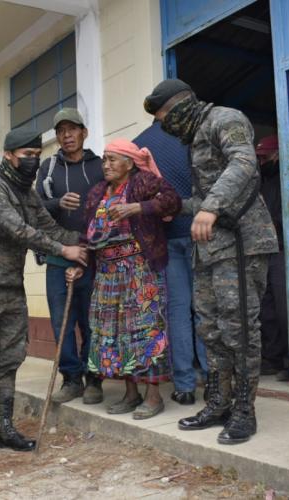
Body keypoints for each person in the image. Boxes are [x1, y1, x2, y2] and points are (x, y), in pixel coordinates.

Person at [145, 79, 278, 445]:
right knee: (211, 329)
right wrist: (175, 207)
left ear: (181, 106)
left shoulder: (224, 119)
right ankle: (219, 403)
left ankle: (244, 411)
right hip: (210, 248)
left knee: (239, 328)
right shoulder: (193, 138)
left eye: (165, 118)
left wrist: (210, 206)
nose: (165, 127)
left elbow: (244, 162)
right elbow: (201, 199)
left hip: (241, 243)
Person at [0, 127, 88, 469]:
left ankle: (4, 429)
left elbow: (50, 227)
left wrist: (88, 239)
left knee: (10, 358)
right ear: (8, 156)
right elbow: (16, 229)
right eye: (26, 155)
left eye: (36, 155)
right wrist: (63, 250)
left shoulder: (27, 193)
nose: (33, 160)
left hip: (11, 286)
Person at [71, 138, 180, 419]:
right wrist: (81, 264)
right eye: (104, 159)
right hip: (106, 274)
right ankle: (130, 394)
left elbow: (173, 201)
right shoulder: (98, 192)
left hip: (139, 270)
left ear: (129, 163)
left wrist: (137, 208)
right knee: (116, 333)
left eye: (112, 159)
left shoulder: (143, 182)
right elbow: (87, 233)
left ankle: (153, 396)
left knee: (145, 329)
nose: (105, 165)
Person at [133, 121, 208, 405]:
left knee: (177, 312)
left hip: (165, 238)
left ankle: (185, 386)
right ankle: (213, 382)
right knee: (204, 309)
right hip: (201, 231)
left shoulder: (139, 143)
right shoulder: (192, 133)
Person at [35, 108, 105, 404]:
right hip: (58, 256)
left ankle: (94, 379)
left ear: (83, 132)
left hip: (94, 257)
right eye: (61, 131)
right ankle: (71, 379)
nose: (67, 136)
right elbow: (35, 209)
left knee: (92, 320)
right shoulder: (48, 168)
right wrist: (57, 203)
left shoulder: (100, 166)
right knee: (61, 323)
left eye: (72, 129)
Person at [255, 135, 289, 382]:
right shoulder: (263, 182)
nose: (261, 162)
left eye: (264, 157)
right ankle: (273, 357)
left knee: (283, 307)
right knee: (267, 308)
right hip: (265, 250)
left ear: (277, 155)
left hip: (283, 249)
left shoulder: (285, 180)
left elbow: (282, 216)